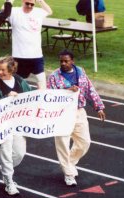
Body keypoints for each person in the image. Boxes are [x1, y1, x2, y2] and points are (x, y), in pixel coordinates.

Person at [47, 49, 106, 186]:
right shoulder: (54, 76)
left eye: (66, 61)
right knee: (63, 144)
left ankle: (69, 163)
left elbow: (90, 89)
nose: (63, 63)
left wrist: (99, 106)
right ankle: (68, 173)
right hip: (61, 114)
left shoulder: (81, 72)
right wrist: (67, 91)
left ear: (72, 61)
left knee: (84, 142)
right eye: (61, 61)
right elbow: (49, 96)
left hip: (79, 112)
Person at [0, 56, 31, 195]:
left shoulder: (20, 81)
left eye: (3, 70)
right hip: (2, 125)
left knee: (19, 153)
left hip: (17, 123)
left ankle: (6, 169)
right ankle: (9, 181)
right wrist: (7, 97)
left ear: (11, 70)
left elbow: (31, 96)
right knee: (5, 153)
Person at [8, 0, 52, 89]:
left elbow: (49, 11)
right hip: (19, 55)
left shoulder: (38, 12)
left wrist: (40, 1)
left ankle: (42, 100)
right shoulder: (14, 11)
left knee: (42, 81)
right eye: (27, 3)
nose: (29, 6)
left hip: (36, 55)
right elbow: (3, 10)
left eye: (32, 4)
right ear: (22, 2)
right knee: (18, 83)